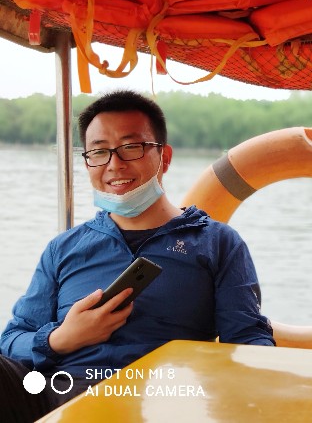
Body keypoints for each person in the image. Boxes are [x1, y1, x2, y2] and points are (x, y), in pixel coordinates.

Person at [1, 90, 274, 422]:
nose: (114, 164)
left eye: (131, 147)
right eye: (99, 151)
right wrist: (63, 338)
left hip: (164, 400)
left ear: (164, 157)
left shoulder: (216, 243)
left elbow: (246, 340)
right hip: (55, 399)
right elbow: (12, 339)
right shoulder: (64, 248)